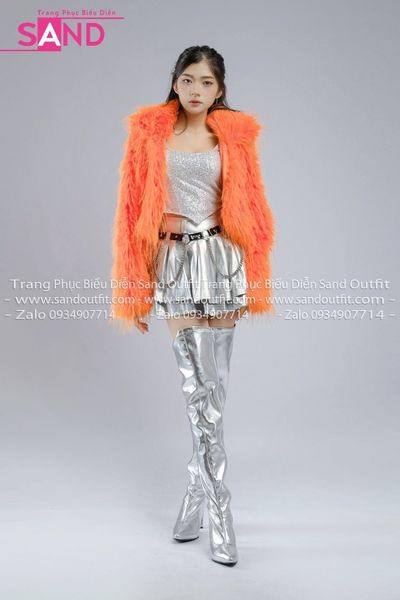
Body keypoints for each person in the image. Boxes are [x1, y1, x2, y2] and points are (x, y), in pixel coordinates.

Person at [110, 45, 275, 566]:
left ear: (219, 88)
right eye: (188, 79)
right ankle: (221, 508)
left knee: (215, 391)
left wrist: (254, 271)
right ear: (175, 82)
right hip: (175, 263)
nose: (196, 90)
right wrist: (134, 289)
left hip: (223, 259)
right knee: (195, 388)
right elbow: (130, 212)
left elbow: (252, 207)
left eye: (206, 81)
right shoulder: (148, 134)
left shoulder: (235, 136)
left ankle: (193, 492)